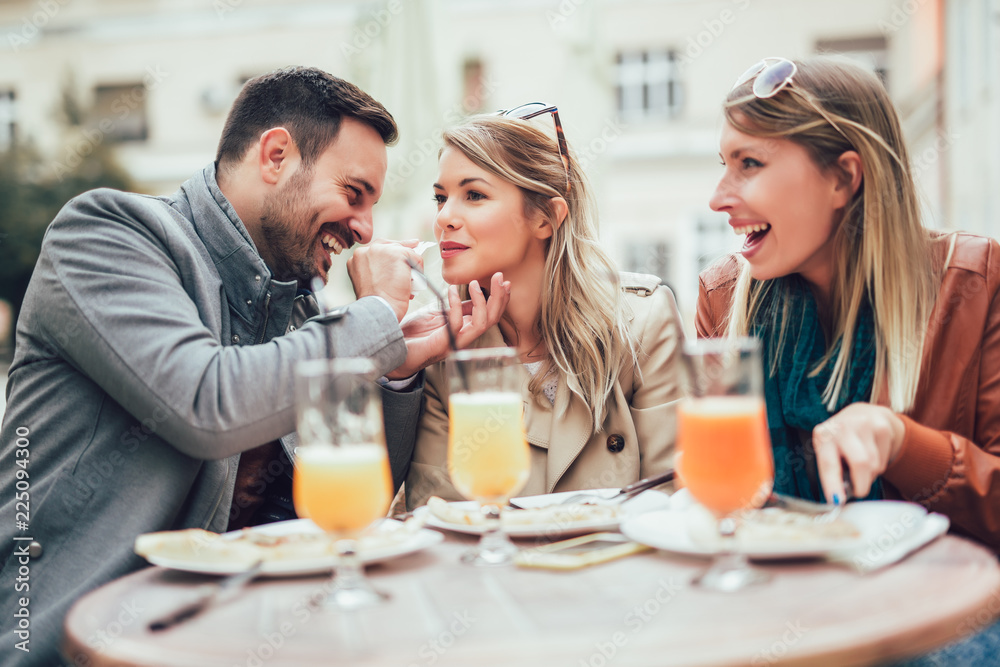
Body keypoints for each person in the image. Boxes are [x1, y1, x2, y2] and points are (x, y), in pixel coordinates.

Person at [0, 66, 506, 666]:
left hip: (227, 641)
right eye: (353, 194)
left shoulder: (300, 305)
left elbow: (348, 503)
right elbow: (205, 404)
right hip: (60, 644)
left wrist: (398, 362)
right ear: (275, 156)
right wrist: (373, 318)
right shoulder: (109, 234)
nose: (367, 227)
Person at [697, 56, 1000, 553]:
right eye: (723, 165)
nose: (717, 198)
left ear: (843, 177)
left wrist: (904, 444)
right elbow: (711, 499)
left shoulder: (973, 283)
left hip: (934, 611)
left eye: (749, 164)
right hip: (776, 603)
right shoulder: (722, 297)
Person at [405, 106, 684, 509]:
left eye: (474, 195)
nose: (445, 217)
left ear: (546, 218)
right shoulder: (441, 349)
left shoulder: (642, 323)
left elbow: (671, 501)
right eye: (440, 198)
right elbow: (441, 519)